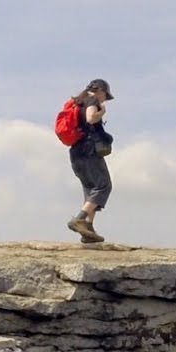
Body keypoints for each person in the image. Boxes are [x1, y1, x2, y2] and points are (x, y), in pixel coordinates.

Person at [66, 78, 115, 243]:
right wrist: (101, 113)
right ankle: (80, 219)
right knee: (103, 186)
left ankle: (88, 230)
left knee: (90, 189)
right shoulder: (92, 100)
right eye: (105, 95)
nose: (104, 99)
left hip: (76, 152)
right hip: (89, 151)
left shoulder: (77, 103)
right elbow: (91, 118)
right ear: (100, 90)